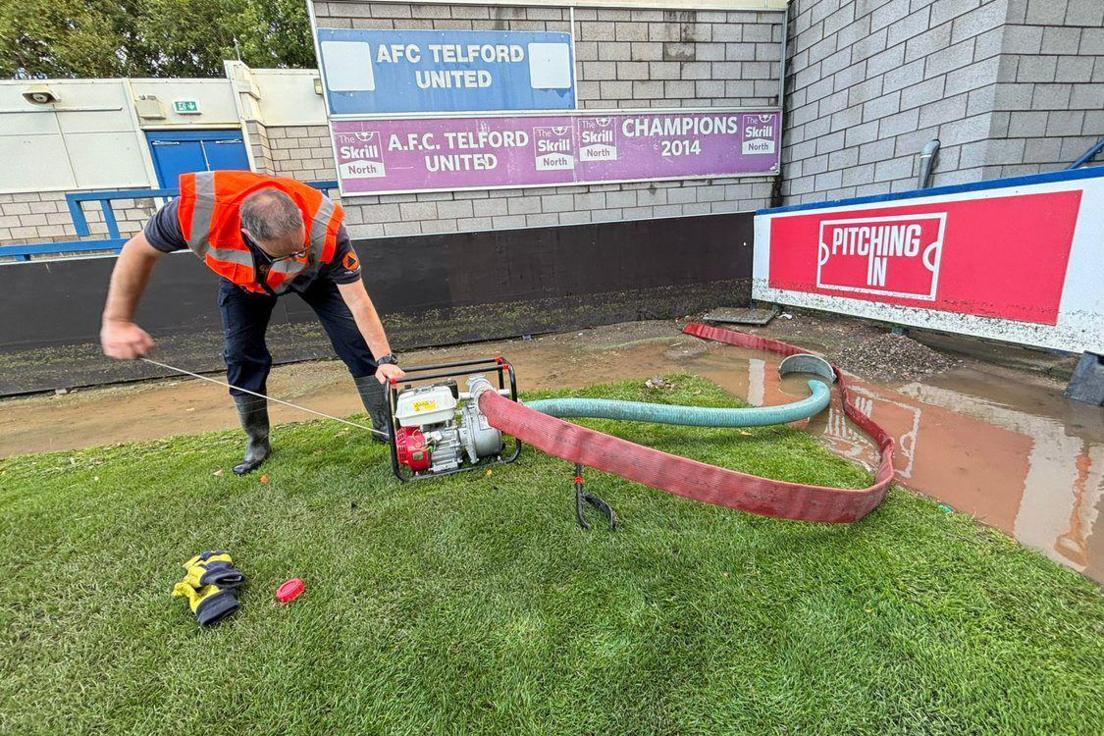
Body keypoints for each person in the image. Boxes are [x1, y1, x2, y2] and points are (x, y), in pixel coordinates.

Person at [100, 170, 405, 475]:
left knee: (354, 342)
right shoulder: (193, 212)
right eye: (284, 253)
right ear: (248, 235)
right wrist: (117, 320)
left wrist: (385, 359)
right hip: (243, 282)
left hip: (314, 277)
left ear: (299, 216)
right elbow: (136, 251)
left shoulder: (326, 226)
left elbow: (358, 300)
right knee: (241, 355)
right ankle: (257, 441)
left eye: (299, 247)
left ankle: (384, 424)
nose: (294, 255)